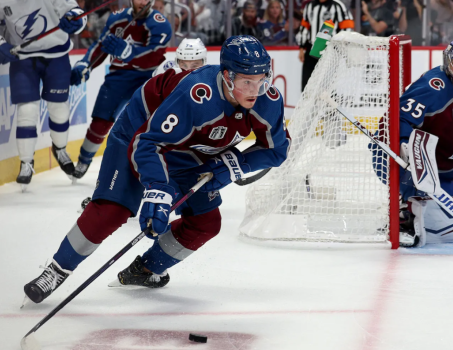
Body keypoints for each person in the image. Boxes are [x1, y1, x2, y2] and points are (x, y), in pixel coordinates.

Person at [23, 35, 291, 304]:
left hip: (191, 149)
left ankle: (146, 269)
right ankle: (56, 270)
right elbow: (149, 143)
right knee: (113, 209)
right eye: (247, 81)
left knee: (205, 223)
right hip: (139, 134)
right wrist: (158, 189)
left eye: (262, 79)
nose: (256, 90)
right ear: (227, 76)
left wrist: (233, 166)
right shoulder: (197, 94)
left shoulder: (267, 99)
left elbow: (276, 150)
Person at [371, 37, 453, 247]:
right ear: (447, 60)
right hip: (398, 160)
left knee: (449, 205)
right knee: (420, 193)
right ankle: (404, 213)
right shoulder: (433, 86)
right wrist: (404, 145)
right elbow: (393, 119)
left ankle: (419, 202)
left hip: (439, 170)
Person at [71, 0, 172, 180]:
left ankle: (153, 166)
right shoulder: (117, 18)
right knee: (100, 121)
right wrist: (85, 63)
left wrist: (127, 52)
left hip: (147, 78)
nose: (143, 1)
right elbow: (102, 45)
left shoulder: (160, 23)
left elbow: (154, 55)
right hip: (118, 77)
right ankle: (84, 160)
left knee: (149, 125)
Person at [0, 0, 88, 190]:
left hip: (56, 54)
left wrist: (75, 20)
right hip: (21, 57)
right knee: (27, 109)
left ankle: (60, 149)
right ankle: (26, 162)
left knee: (59, 109)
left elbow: (76, 13)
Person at [296, 0, 354, 91]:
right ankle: (308, 104)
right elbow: (304, 27)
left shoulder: (338, 6)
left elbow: (347, 28)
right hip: (312, 50)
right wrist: (301, 48)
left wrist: (340, 46)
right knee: (308, 85)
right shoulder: (309, 6)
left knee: (328, 84)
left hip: (331, 50)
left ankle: (329, 104)